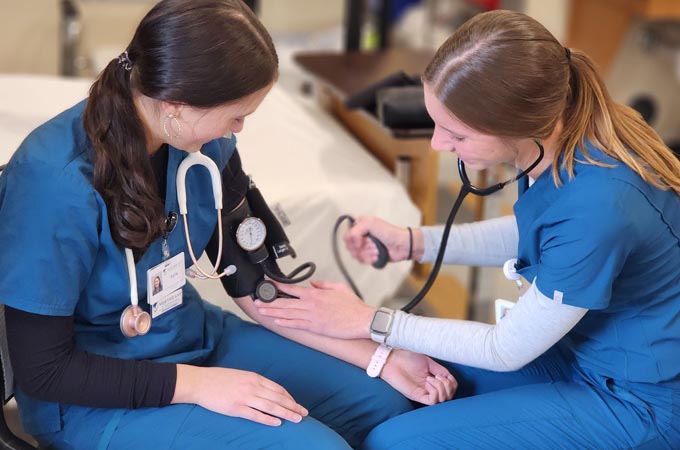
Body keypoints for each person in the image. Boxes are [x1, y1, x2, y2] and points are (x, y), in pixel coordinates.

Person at [0, 1, 457, 449]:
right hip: (92, 395)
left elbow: (259, 287)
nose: (237, 129)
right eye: (236, 114)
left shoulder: (203, 151)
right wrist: (199, 385)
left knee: (387, 402)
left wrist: (381, 357)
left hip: (194, 338)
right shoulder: (53, 184)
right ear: (176, 103)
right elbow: (45, 370)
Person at [255, 9, 680, 449]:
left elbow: (506, 349)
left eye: (455, 134)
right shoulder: (564, 137)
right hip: (576, 351)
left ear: (515, 125)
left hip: (637, 401)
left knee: (393, 442)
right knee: (404, 382)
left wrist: (370, 320)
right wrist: (412, 242)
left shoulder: (600, 204)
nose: (438, 144)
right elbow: (540, 236)